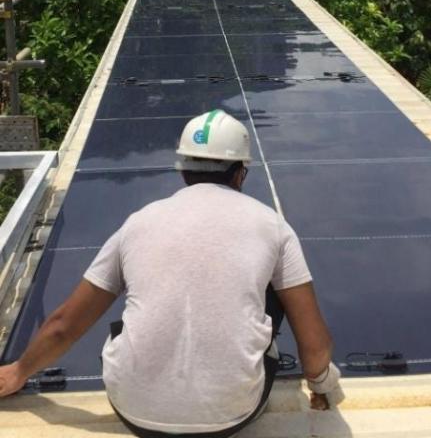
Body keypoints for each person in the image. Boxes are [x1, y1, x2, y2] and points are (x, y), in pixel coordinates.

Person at [0, 109, 342, 436]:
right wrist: (322, 384)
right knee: (276, 290)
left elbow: (63, 326)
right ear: (240, 173)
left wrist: (18, 372)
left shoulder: (137, 223)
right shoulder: (273, 226)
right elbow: (314, 345)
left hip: (133, 412)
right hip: (233, 417)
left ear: (182, 170)